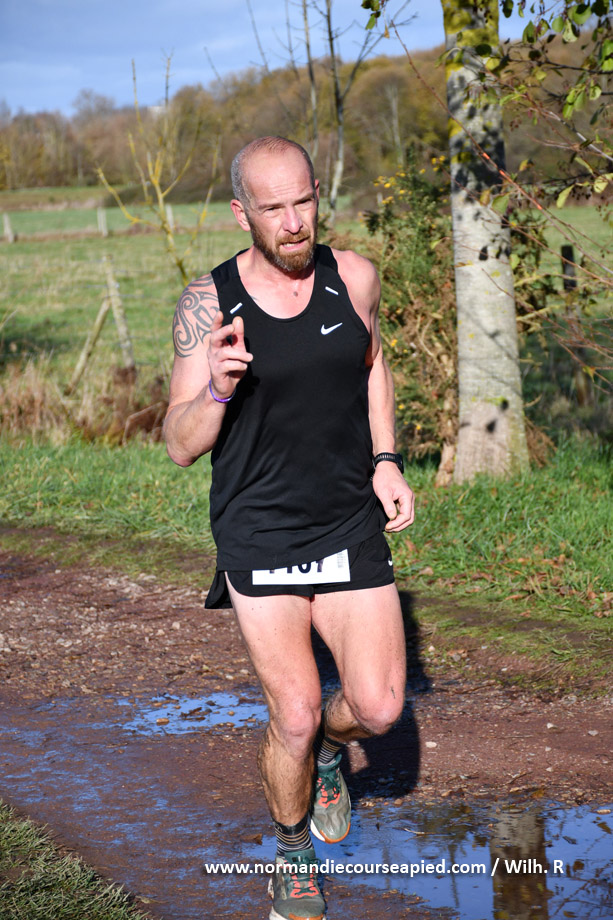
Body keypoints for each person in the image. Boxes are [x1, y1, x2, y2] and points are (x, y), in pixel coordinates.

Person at [164, 136, 415, 920]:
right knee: (296, 713)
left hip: (346, 518)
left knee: (377, 708)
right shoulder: (206, 304)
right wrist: (215, 388)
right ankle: (292, 852)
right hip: (260, 528)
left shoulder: (355, 277)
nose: (294, 221)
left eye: (303, 200)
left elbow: (372, 364)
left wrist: (385, 459)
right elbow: (177, 445)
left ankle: (334, 754)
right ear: (241, 213)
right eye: (273, 208)